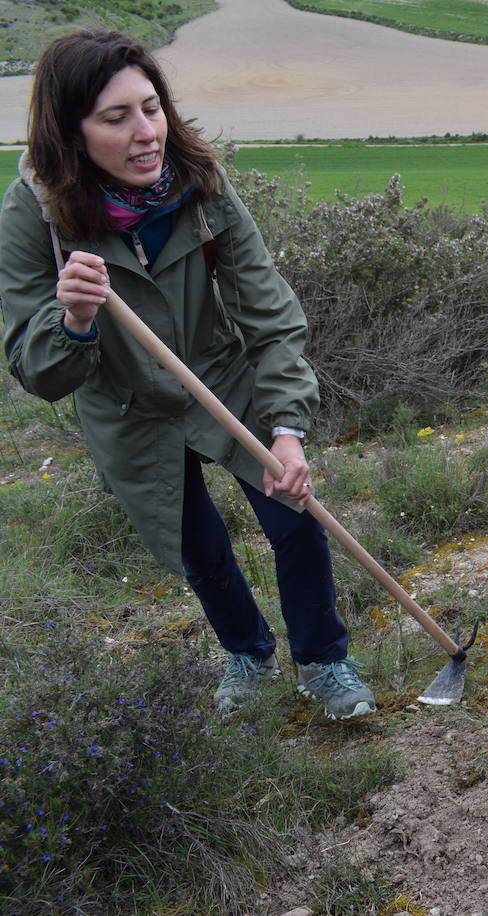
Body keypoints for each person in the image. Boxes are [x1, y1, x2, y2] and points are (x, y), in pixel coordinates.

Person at [0, 29, 375, 719]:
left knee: (294, 517)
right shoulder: (37, 217)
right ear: (70, 132)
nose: (146, 133)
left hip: (220, 376)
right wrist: (75, 321)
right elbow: (38, 370)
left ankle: (324, 662)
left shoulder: (198, 182)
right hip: (125, 405)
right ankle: (247, 650)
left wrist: (287, 427)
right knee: (195, 542)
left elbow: (270, 312)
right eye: (116, 119)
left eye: (152, 107)